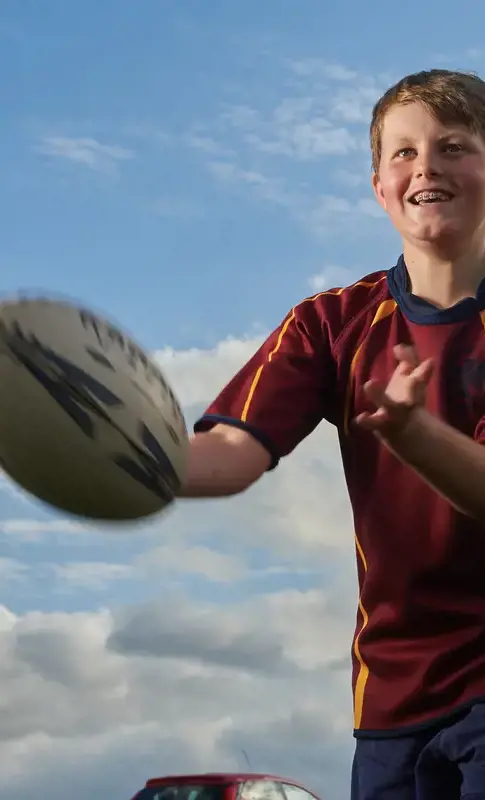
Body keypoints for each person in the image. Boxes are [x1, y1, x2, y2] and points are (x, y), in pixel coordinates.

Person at [180, 69, 485, 798]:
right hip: (391, 691)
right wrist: (110, 457)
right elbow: (228, 456)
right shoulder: (328, 322)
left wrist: (413, 434)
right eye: (402, 154)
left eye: (452, 146)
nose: (425, 167)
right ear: (378, 186)